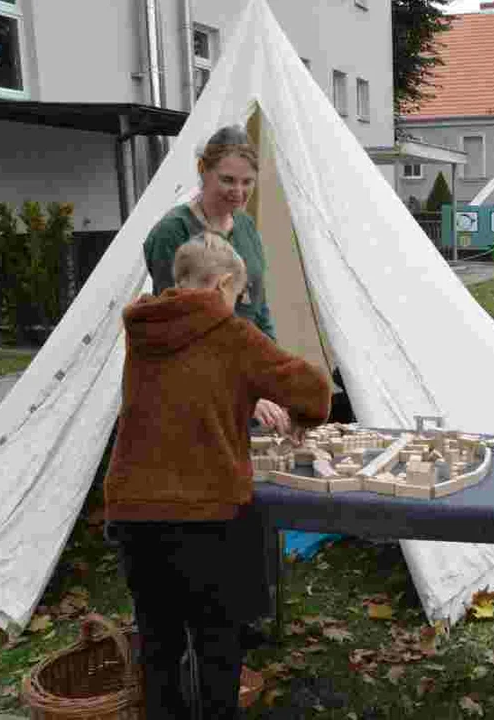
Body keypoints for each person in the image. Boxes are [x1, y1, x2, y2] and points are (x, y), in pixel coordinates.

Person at [105, 235, 332, 719]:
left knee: (158, 644)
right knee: (217, 645)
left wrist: (242, 394)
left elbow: (190, 390)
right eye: (239, 294)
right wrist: (299, 415)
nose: (238, 304)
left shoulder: (143, 329)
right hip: (204, 513)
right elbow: (312, 391)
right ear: (226, 284)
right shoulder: (230, 332)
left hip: (134, 512)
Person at [143, 125, 291, 434]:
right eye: (227, 180)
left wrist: (274, 376)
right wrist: (241, 391)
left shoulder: (247, 226)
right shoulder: (173, 232)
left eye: (247, 182)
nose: (238, 192)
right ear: (203, 170)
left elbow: (259, 309)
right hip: (198, 388)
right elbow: (176, 329)